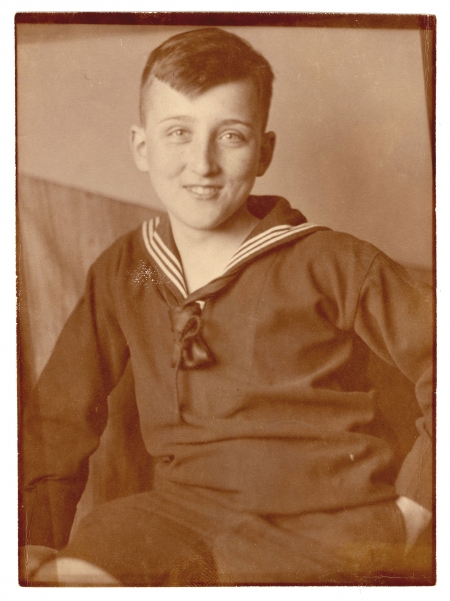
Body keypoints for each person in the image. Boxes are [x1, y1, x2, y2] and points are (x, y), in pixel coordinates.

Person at [20, 27, 433, 586]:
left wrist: (416, 506)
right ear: (143, 147)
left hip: (326, 524)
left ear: (264, 151)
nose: (202, 163)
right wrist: (33, 537)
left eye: (231, 136)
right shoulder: (128, 269)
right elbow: (60, 417)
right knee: (63, 577)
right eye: (178, 133)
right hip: (180, 516)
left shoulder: (333, 261)